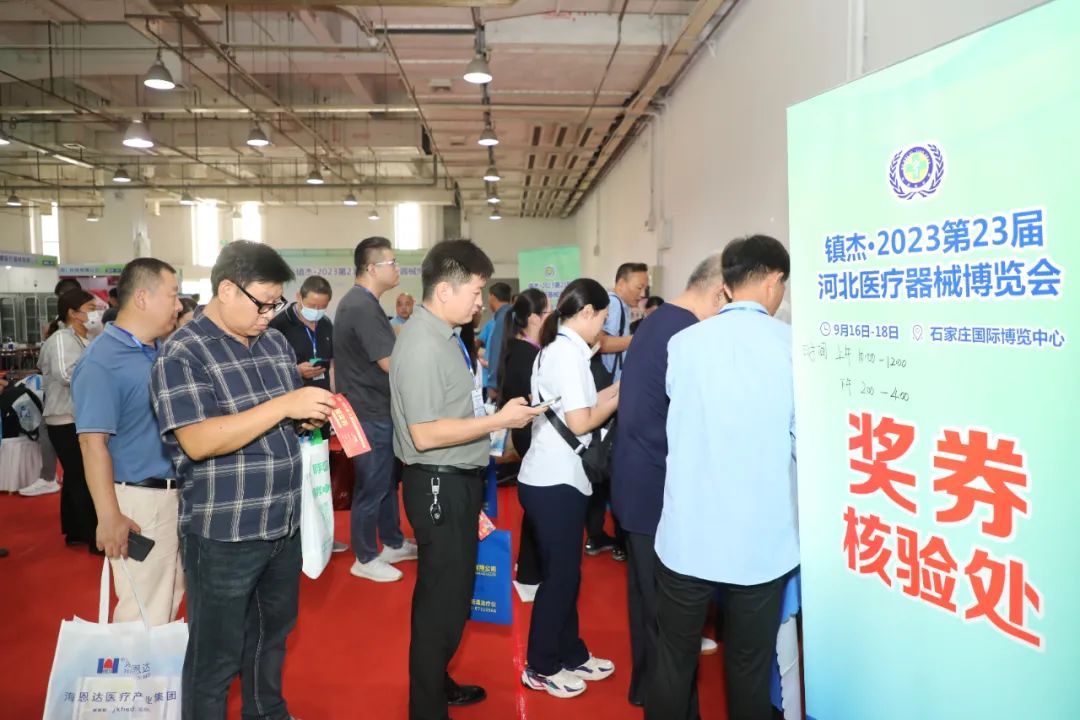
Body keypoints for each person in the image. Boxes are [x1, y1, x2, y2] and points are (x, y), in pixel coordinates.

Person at [151, 240, 337, 720]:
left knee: (271, 640)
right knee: (214, 659)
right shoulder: (183, 353)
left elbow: (278, 420)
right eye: (263, 303)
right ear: (227, 290)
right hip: (224, 533)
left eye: (276, 304)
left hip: (282, 524)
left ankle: (267, 713)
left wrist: (304, 419)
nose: (269, 315)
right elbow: (198, 440)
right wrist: (285, 406)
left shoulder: (274, 342)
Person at [389, 239, 543, 720]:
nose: (481, 302)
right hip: (438, 482)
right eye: (475, 292)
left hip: (454, 479)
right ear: (445, 290)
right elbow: (425, 433)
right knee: (442, 603)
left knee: (450, 598)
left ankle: (437, 683)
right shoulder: (421, 344)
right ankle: (426, 706)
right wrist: (499, 422)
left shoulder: (445, 336)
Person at [647, 235, 796, 720]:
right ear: (774, 280)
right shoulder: (792, 347)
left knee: (673, 662)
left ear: (727, 283)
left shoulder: (684, 343)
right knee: (749, 668)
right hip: (759, 543)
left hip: (687, 535)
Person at [611, 255, 726, 710]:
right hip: (658, 488)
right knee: (670, 617)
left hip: (636, 483)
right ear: (719, 294)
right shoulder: (688, 334)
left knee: (647, 602)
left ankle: (645, 689)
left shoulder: (657, 323)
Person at [518, 278, 620, 699]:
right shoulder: (566, 354)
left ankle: (571, 653)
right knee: (560, 578)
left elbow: (583, 405)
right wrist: (622, 396)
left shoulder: (560, 349)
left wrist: (619, 389)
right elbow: (581, 421)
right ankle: (540, 666)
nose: (603, 328)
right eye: (603, 319)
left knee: (566, 575)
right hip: (554, 481)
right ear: (587, 313)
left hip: (553, 478)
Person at [74, 258, 184, 625]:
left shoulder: (156, 350)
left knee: (168, 601)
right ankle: (134, 668)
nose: (178, 305)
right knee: (143, 613)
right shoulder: (102, 361)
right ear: (142, 298)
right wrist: (109, 517)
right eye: (172, 295)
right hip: (140, 502)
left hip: (173, 495)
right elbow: (92, 444)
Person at [334, 237, 417, 583]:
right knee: (371, 485)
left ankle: (392, 542)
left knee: (385, 482)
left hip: (374, 409)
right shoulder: (362, 307)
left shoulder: (363, 304)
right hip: (368, 412)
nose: (397, 269)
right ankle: (365, 556)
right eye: (391, 263)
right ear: (371, 268)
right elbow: (389, 363)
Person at [495, 288, 550, 602]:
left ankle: (528, 568)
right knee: (539, 505)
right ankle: (528, 573)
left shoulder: (522, 348)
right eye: (547, 312)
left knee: (537, 503)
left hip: (529, 432)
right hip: (530, 433)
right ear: (533, 319)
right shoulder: (526, 354)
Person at [39, 289, 102, 550]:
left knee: (76, 476)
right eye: (91, 308)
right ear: (73, 313)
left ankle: (75, 530)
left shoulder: (87, 337)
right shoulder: (62, 339)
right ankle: (92, 535)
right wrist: (102, 373)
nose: (95, 313)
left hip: (81, 416)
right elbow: (66, 374)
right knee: (82, 476)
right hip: (65, 419)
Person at [269, 275, 335, 393]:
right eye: (312, 306)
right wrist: (297, 372)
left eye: (322, 307)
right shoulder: (278, 326)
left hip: (324, 394)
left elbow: (332, 364)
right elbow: (269, 370)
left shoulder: (326, 323)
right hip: (294, 397)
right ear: (299, 297)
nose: (316, 311)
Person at [598, 263, 648, 383]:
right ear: (621, 284)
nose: (643, 294)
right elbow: (601, 343)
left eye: (645, 289)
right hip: (609, 380)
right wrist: (639, 339)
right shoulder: (615, 304)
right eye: (639, 288)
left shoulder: (619, 304)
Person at [481, 282, 513, 402]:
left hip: (502, 383)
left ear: (492, 297)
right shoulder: (511, 314)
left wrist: (493, 383)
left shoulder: (503, 318)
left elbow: (498, 351)